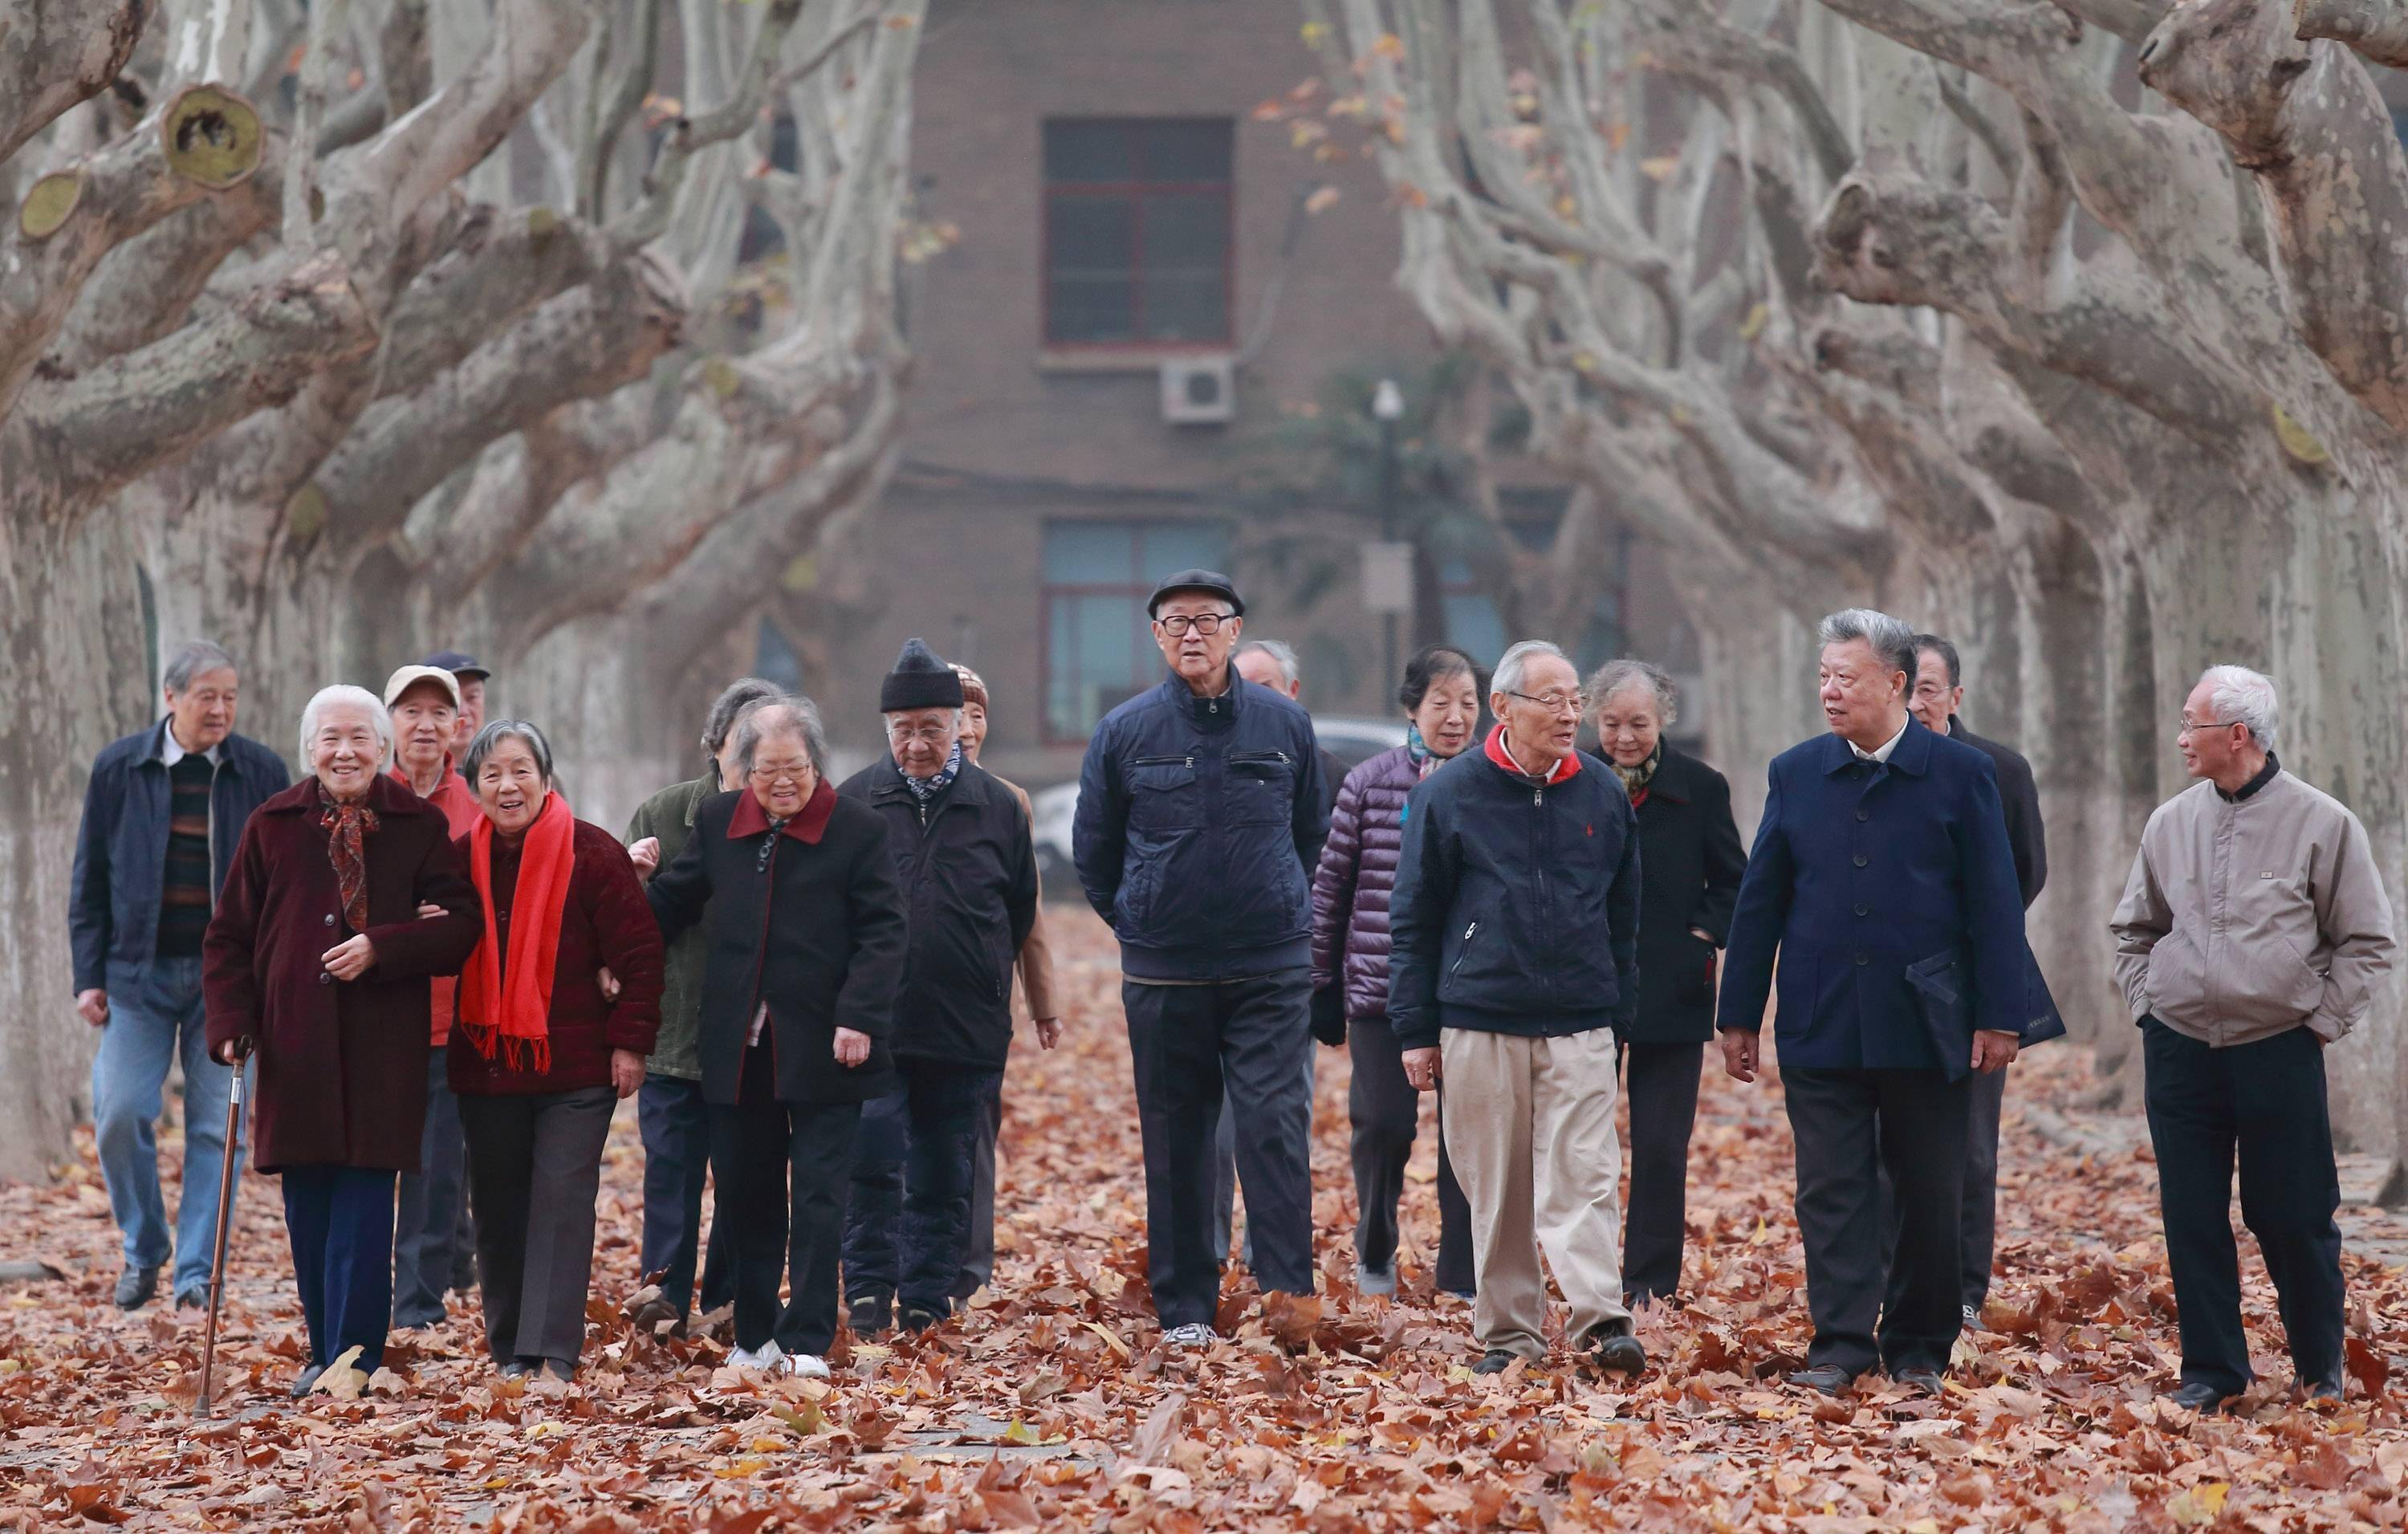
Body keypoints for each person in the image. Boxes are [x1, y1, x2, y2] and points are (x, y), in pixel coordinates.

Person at [1715, 608, 2029, 1398]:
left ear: (1895, 683)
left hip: (1929, 1021)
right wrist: (1739, 1014)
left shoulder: (1962, 775)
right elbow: (1761, 902)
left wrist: (2000, 1015)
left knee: (1929, 1186)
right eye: (1823, 676)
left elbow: (1995, 903)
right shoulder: (1796, 772)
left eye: (1844, 677)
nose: (1829, 690)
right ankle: (1842, 1343)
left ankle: (1921, 1342)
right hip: (1823, 1018)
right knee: (1830, 1190)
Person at [2111, 665, 2396, 1410]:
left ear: (2237, 735)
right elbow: (2134, 929)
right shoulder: (2169, 822)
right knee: (2192, 1213)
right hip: (2179, 1048)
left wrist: (2320, 1023)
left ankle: (2318, 1368)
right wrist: (2150, 1006)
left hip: (2279, 1048)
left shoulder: (2323, 822)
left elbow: (2366, 940)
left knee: (2293, 1215)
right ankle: (2212, 1371)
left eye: (2191, 724)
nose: (2180, 739)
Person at [1072, 569, 1329, 1346]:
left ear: (1235, 630)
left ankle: (1286, 1297)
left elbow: (1310, 833)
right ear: (1156, 636)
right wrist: (1145, 915)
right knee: (1178, 1136)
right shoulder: (1125, 731)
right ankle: (1186, 1308)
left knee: (1275, 1129)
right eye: (1175, 621)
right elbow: (1095, 851)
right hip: (1165, 969)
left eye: (1207, 619)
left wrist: (1278, 904)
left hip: (1269, 967)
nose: (1192, 633)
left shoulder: (1284, 726)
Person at [201, 686, 481, 1396]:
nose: (346, 751)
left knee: (362, 1199)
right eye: (331, 738)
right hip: (295, 1041)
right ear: (310, 748)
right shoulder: (273, 822)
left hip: (383, 1046)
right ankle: (324, 1348)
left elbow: (459, 925)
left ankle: (353, 1359)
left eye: (360, 737)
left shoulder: (416, 825)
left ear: (382, 748)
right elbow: (230, 936)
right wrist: (232, 1023)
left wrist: (383, 946)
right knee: (308, 1204)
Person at [1388, 640, 1646, 1376]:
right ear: (1503, 707)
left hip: (1580, 1018)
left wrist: (1617, 1017)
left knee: (1585, 1175)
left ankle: (1601, 1320)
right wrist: (1414, 1029)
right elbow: (1412, 918)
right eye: (1554, 700)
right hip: (1479, 1018)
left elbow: (1623, 920)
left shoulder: (1603, 793)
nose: (1572, 714)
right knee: (1495, 1189)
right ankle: (1509, 1334)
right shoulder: (1447, 795)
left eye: (1576, 699)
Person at [646, 698, 908, 1378]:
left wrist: (860, 1015)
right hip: (739, 1046)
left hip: (828, 1044)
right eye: (765, 770)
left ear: (817, 765)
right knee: (745, 1190)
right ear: (741, 770)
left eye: (794, 768)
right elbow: (669, 903)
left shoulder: (858, 829)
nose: (781, 782)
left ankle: (809, 1339)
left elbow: (885, 932)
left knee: (820, 1194)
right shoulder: (717, 821)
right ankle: (754, 1334)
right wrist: (617, 894)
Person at [71, 641, 291, 1312]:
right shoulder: (119, 768)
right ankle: (145, 1246)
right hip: (135, 974)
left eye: (230, 696)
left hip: (227, 981)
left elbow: (284, 881)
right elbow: (89, 879)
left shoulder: (260, 770)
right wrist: (88, 975)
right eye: (207, 696)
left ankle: (196, 1274)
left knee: (215, 1130)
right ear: (170, 698)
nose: (221, 708)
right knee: (120, 1112)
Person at [450, 720, 665, 1381]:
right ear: (475, 787)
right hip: (488, 1068)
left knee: (561, 1196)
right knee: (498, 1203)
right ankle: (511, 1345)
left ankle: (553, 1351)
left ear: (546, 779)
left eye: (521, 770)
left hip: (578, 1069)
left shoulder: (593, 853)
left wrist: (630, 1042)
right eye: (492, 774)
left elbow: (640, 954)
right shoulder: (459, 859)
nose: (508, 786)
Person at [839, 642, 1042, 1336]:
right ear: (886, 730)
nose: (918, 743)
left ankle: (926, 1295)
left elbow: (1017, 910)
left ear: (960, 725)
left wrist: (1001, 993)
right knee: (871, 1152)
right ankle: (866, 1288)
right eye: (904, 729)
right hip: (873, 1019)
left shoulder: (998, 806)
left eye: (932, 727)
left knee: (942, 1166)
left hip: (964, 1022)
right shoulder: (854, 802)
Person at [1311, 644, 1483, 1300]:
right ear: (1412, 708)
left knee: (1466, 1137)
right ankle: (1376, 1243)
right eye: (1441, 702)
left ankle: (1462, 1269)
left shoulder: (1491, 782)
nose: (1455, 716)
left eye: (1467, 703)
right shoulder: (1370, 781)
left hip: (1469, 991)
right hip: (1380, 988)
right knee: (1383, 1123)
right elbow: (1333, 885)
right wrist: (1319, 983)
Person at [622, 678, 782, 1336]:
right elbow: (625, 928)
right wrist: (633, 881)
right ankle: (660, 1293)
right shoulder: (665, 815)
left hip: (754, 1039)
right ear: (713, 747)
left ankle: (726, 1302)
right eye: (740, 743)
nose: (752, 758)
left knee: (745, 1176)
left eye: (767, 744)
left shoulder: (793, 817)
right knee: (670, 1173)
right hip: (673, 1033)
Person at [1585, 658, 1745, 1310]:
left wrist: (1702, 937)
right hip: (1587, 987)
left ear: (1665, 721)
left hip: (1673, 989)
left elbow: (1734, 881)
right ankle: (1587, 1272)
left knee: (1659, 1143)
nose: (1625, 737)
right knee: (1582, 1144)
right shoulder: (1576, 780)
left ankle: (1649, 1280)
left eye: (1639, 724)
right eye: (1613, 723)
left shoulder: (1701, 786)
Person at [1905, 633, 2048, 1324]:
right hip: (1885, 984)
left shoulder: (1999, 769)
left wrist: (1969, 945)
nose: (1916, 702)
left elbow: (2026, 871)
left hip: (1972, 982)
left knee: (1971, 1145)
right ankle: (1892, 1280)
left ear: (1955, 696)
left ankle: (1963, 1289)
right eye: (1905, 686)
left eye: (1928, 689)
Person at [1214, 637, 1345, 1272]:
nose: (1252, 698)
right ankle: (1210, 1249)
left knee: (1279, 1122)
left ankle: (1269, 1256)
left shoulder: (1330, 774)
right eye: (1243, 684)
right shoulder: (1208, 762)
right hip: (1202, 970)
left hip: (1289, 971)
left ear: (1293, 694)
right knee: (1210, 1128)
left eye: (1266, 685)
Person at [945, 662, 1061, 1304]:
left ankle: (970, 1269)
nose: (966, 727)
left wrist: (1043, 1001)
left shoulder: (1008, 800)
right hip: (900, 1003)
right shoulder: (879, 795)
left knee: (975, 1133)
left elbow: (1028, 914)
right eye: (955, 713)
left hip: (981, 1003)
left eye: (978, 713)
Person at [383, 665, 486, 1332]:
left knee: (438, 1173)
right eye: (410, 711)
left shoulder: (478, 803)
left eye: (437, 713)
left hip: (455, 1018)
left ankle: (416, 1310)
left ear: (457, 725)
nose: (424, 725)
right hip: (373, 1019)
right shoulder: (360, 791)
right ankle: (358, 1298)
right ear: (387, 722)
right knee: (369, 1170)